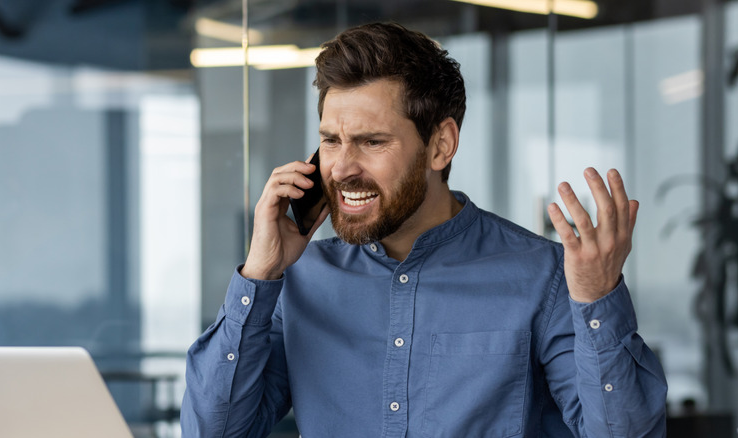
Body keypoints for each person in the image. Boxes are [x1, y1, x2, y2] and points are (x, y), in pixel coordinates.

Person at [181, 22, 667, 438]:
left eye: (371, 141)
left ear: (441, 146)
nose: (343, 168)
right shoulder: (300, 280)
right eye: (331, 141)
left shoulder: (542, 276)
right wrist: (259, 274)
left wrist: (597, 296)